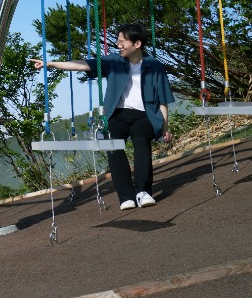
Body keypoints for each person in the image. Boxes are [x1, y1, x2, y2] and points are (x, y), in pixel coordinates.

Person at [29, 22, 175, 211]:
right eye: (118, 41)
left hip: (144, 115)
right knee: (113, 148)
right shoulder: (113, 62)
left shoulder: (155, 66)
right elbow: (83, 65)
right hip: (118, 114)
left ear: (137, 44)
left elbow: (163, 100)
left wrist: (165, 128)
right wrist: (50, 64)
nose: (118, 45)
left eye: (123, 42)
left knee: (141, 143)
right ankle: (126, 196)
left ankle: (143, 191)